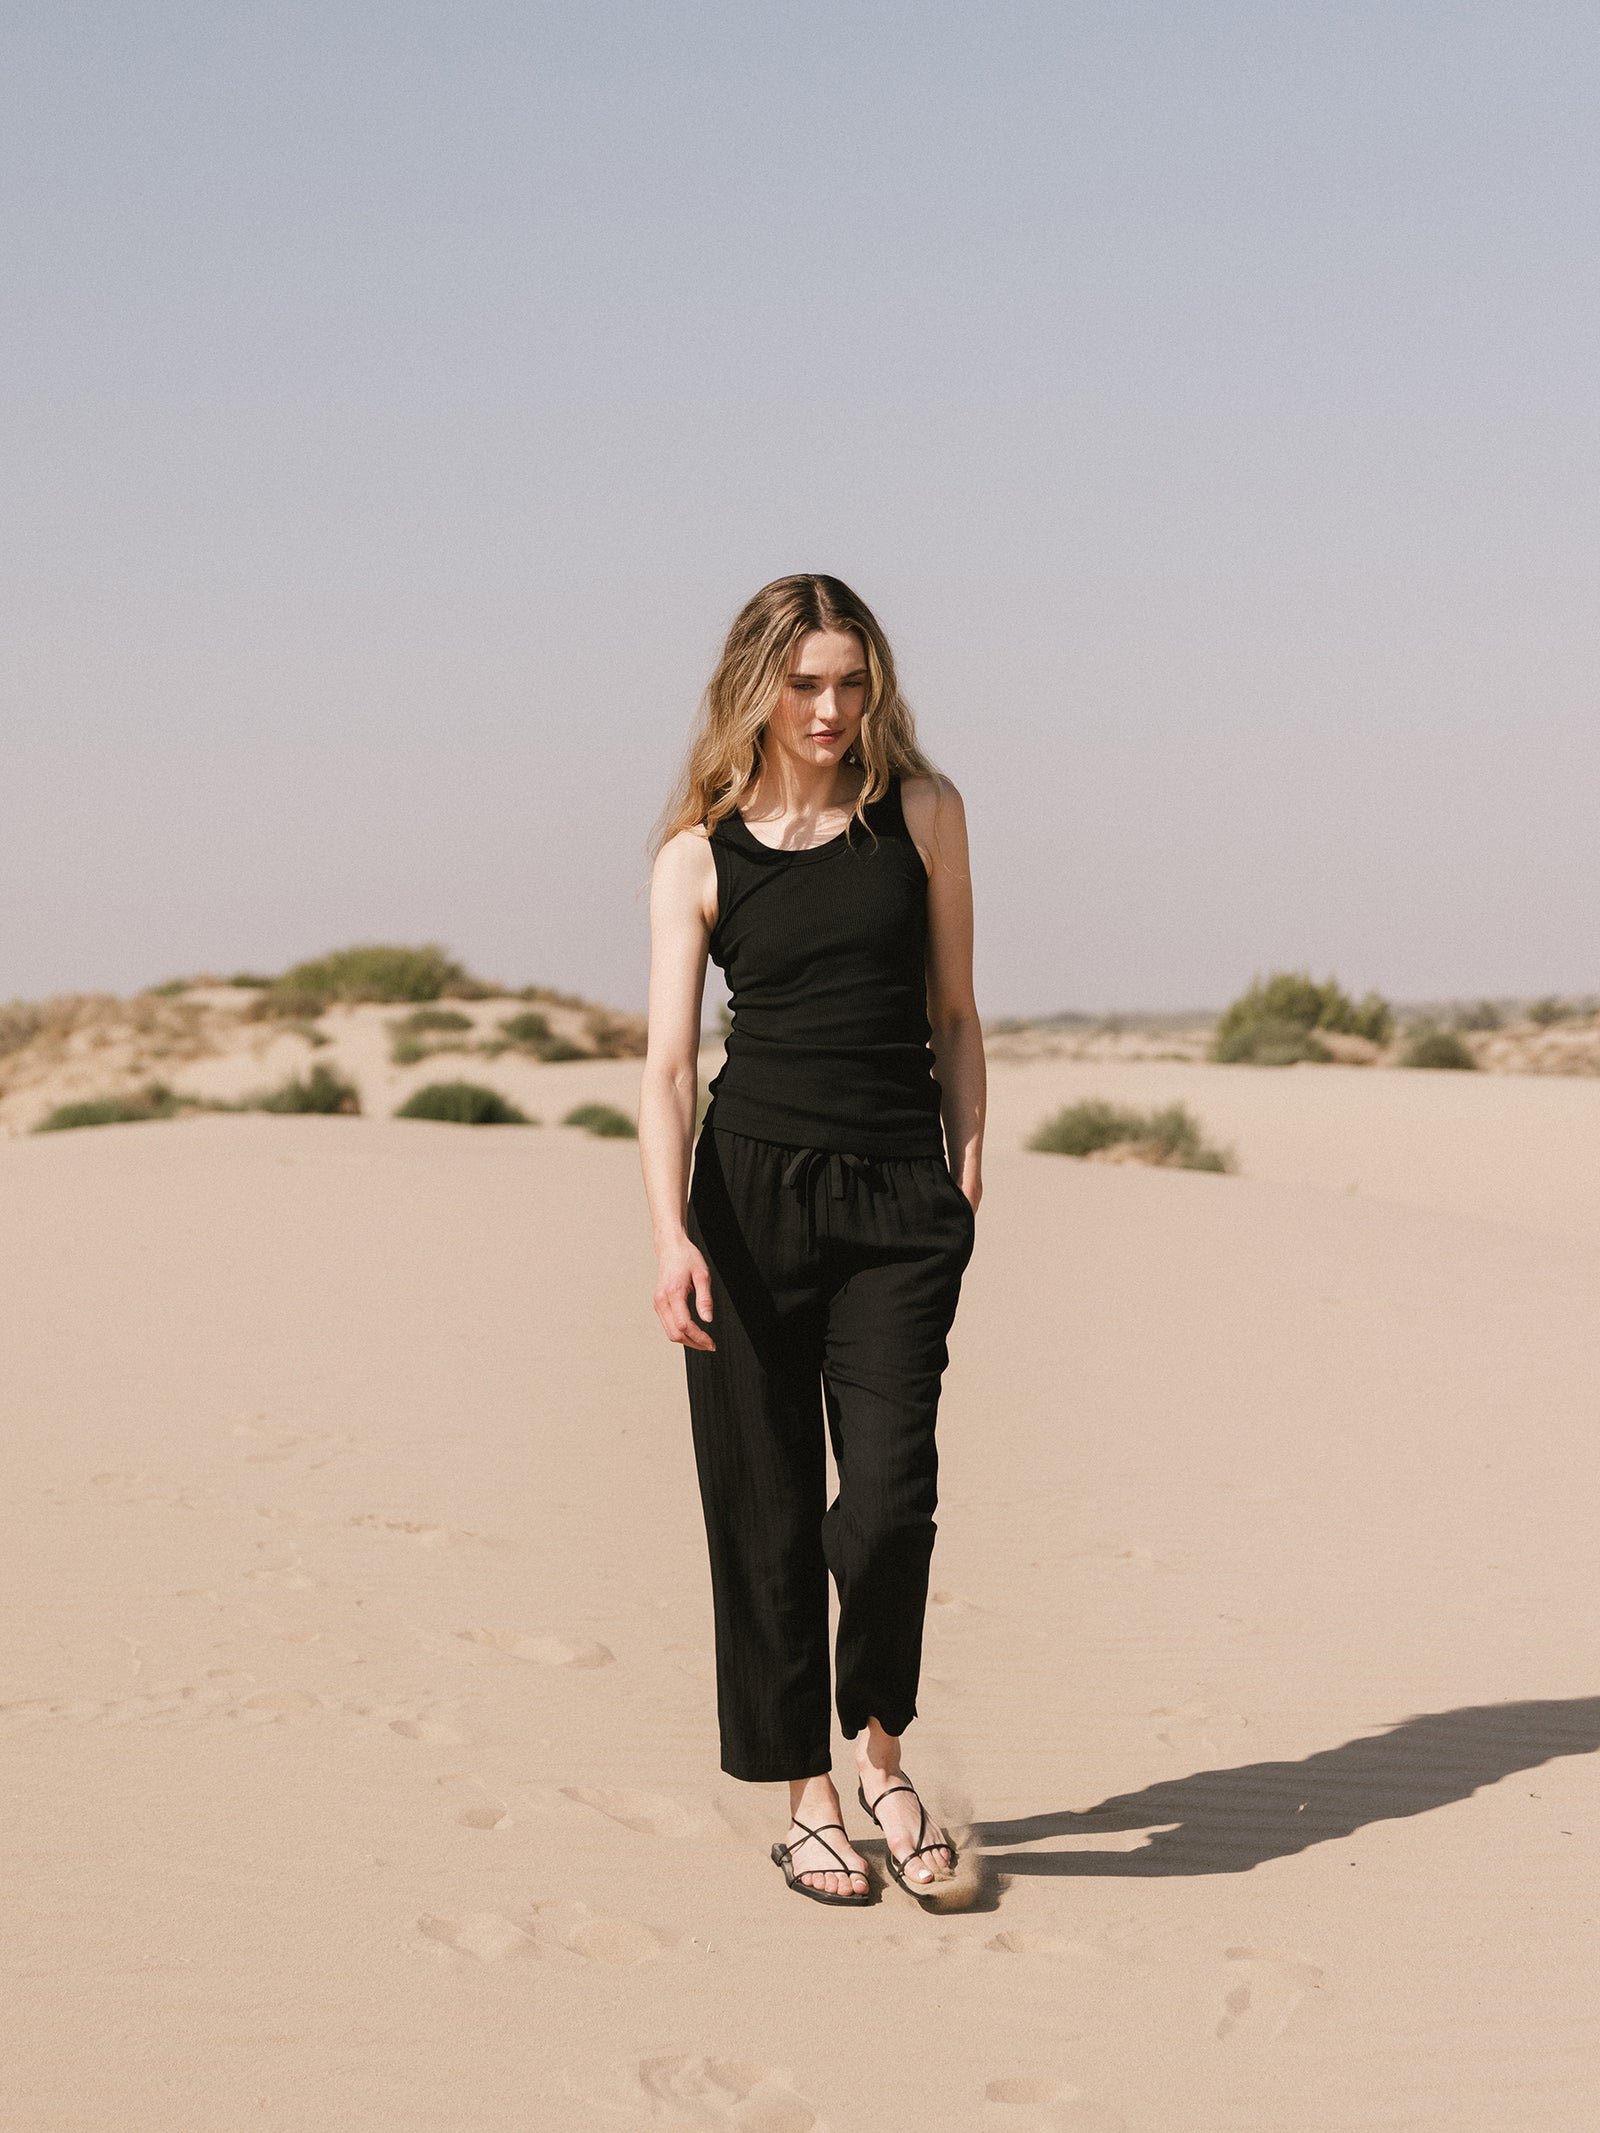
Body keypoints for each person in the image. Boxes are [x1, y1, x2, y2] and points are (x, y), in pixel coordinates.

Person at [639, 574, 984, 1907]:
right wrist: (669, 1231)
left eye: (852, 682)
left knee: (890, 1499)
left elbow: (955, 1014)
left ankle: (883, 1747)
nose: (833, 708)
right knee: (766, 1508)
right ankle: (811, 1795)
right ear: (758, 689)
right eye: (807, 685)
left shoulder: (925, 816)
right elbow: (670, 1066)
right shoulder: (698, 853)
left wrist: (961, 1172)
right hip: (746, 1206)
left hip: (899, 1201)